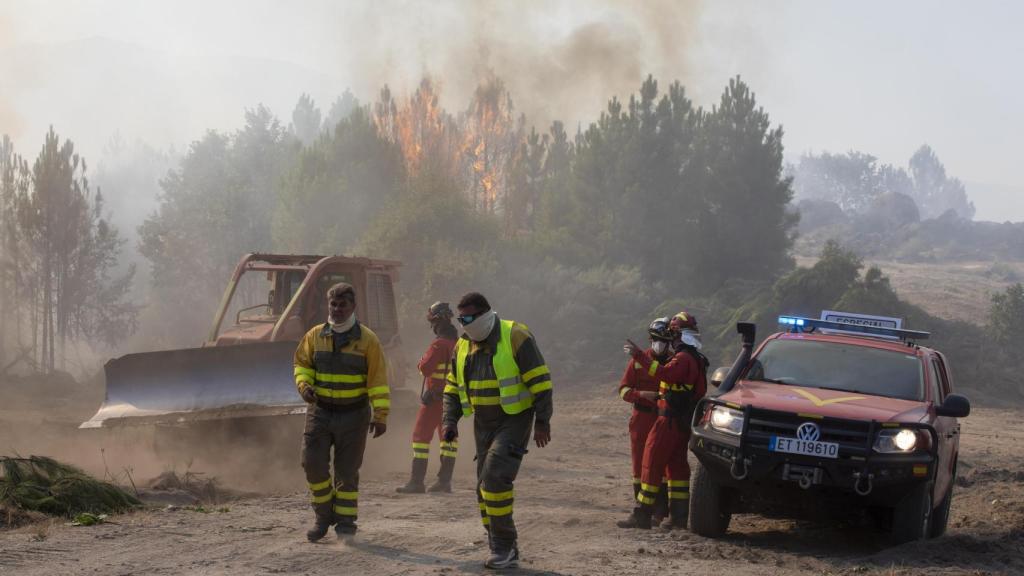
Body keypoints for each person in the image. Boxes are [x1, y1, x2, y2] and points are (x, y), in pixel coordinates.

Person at [442, 292, 553, 570]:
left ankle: (504, 546)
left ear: (484, 314)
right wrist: (449, 421)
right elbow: (452, 389)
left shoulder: (515, 335)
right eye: (460, 319)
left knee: (494, 479)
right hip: (483, 423)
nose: (463, 324)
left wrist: (543, 421)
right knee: (482, 489)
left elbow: (540, 380)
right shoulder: (462, 346)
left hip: (514, 420)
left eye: (467, 318)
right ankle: (497, 541)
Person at [293, 282, 390, 542]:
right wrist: (304, 386)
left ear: (353, 307)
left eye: (342, 305)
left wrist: (380, 416)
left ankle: (346, 524)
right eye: (333, 304)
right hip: (320, 413)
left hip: (354, 416)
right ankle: (323, 517)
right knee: (312, 465)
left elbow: (378, 381)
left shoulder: (368, 340)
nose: (336, 309)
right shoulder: (314, 336)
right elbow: (302, 365)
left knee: (346, 473)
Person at [618, 311, 708, 530]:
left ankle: (642, 515)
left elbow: (664, 374)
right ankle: (677, 519)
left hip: (668, 420)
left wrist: (639, 355)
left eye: (672, 335)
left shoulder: (683, 358)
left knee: (650, 462)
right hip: (679, 421)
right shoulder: (695, 358)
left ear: (678, 335)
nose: (669, 340)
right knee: (677, 468)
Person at [615, 317, 674, 528]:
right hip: (641, 418)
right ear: (650, 340)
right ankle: (641, 511)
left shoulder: (673, 362)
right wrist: (642, 395)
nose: (658, 344)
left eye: (663, 340)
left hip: (662, 418)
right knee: (639, 465)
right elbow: (623, 390)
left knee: (663, 466)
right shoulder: (637, 361)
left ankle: (660, 512)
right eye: (655, 340)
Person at [396, 301, 460, 494]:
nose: (431, 326)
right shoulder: (459, 344)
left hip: (434, 399)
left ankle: (417, 482)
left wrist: (420, 361)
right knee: (448, 439)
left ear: (438, 321)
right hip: (452, 400)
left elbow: (425, 368)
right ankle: (444, 481)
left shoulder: (438, 344)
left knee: (420, 437)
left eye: (432, 322)